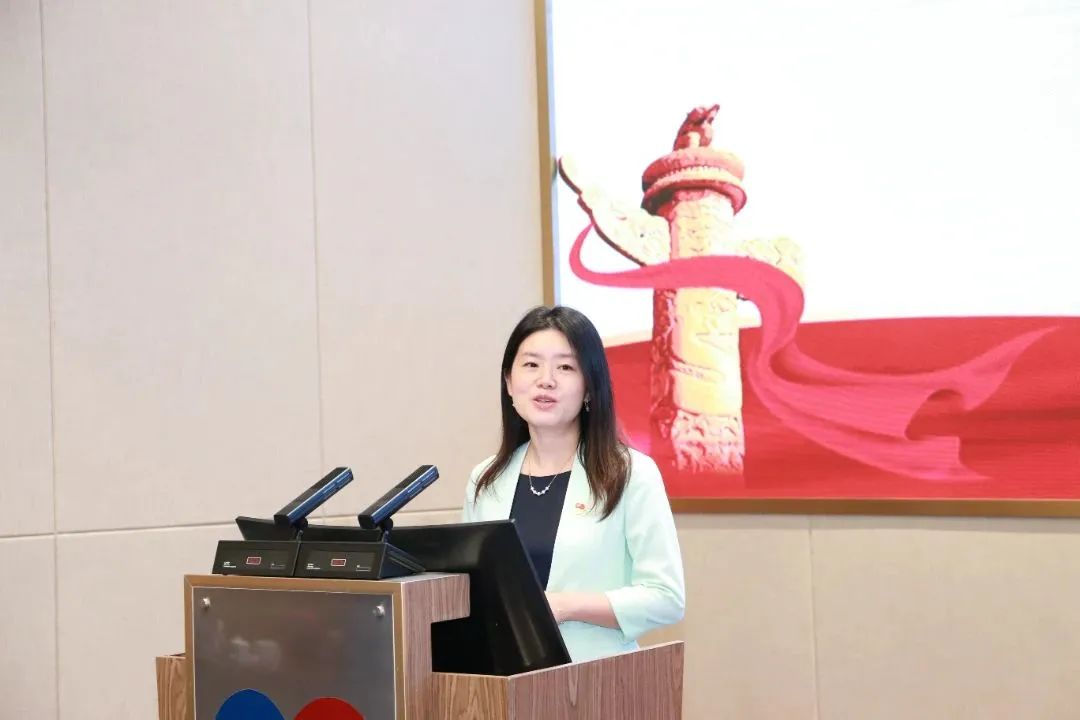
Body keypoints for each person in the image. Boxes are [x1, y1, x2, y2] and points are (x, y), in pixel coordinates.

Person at [462, 305, 685, 662]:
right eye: (531, 365)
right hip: (504, 677)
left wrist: (563, 606)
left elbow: (666, 598)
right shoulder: (486, 479)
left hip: (596, 677)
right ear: (509, 382)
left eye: (565, 367)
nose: (546, 380)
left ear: (589, 388)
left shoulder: (630, 474)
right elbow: (471, 590)